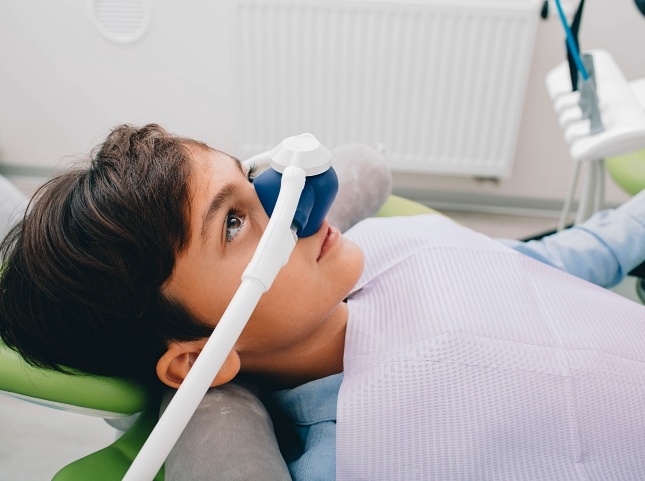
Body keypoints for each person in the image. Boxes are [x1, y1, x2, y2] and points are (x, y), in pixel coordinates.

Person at [1, 124, 645, 480]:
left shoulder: (398, 242)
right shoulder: (351, 460)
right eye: (232, 224)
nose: (298, 205)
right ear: (198, 360)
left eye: (252, 184)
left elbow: (555, 265)